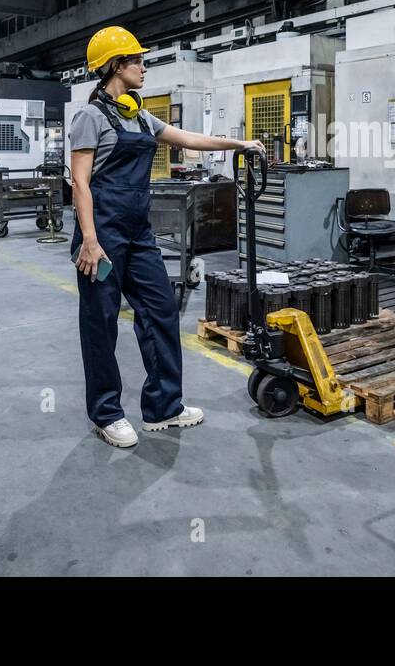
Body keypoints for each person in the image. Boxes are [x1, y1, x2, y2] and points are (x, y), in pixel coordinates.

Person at [69, 25, 266, 448]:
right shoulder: (90, 117)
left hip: (138, 235)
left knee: (160, 310)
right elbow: (80, 184)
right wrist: (89, 238)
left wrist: (239, 143)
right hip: (101, 238)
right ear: (114, 66)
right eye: (136, 60)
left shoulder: (139, 115)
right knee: (101, 323)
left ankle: (163, 406)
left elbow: (190, 139)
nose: (144, 67)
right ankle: (107, 413)